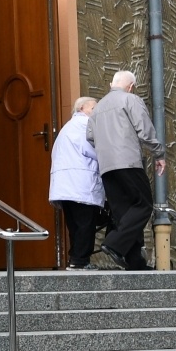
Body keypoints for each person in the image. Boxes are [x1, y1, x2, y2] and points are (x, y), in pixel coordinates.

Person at [88, 69, 166, 270]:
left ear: (111, 85)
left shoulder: (97, 108)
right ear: (131, 87)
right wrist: (159, 153)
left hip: (106, 166)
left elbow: (90, 137)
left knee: (124, 212)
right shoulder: (130, 99)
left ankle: (135, 262)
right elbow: (145, 130)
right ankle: (113, 242)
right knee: (143, 204)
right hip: (128, 161)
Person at [50, 96, 103, 269]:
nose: (96, 111)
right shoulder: (85, 125)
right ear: (82, 108)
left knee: (74, 224)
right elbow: (97, 152)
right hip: (81, 184)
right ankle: (80, 261)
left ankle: (75, 260)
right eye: (93, 107)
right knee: (85, 224)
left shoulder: (67, 128)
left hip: (65, 186)